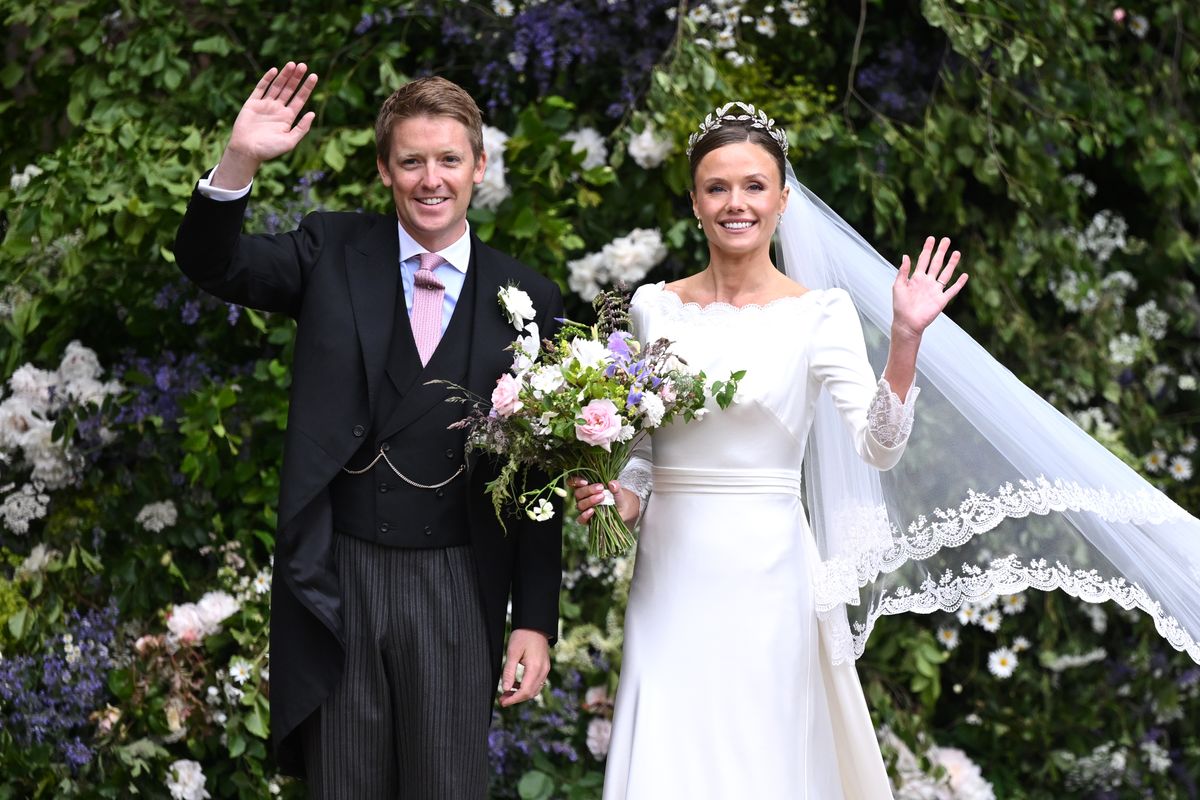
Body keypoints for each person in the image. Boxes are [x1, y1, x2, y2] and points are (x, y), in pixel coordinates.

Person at [574, 102, 1200, 798]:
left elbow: (877, 448)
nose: (736, 203)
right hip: (671, 573)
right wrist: (617, 497)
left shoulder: (820, 313)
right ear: (694, 202)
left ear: (782, 198)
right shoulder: (653, 308)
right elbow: (642, 454)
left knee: (760, 752)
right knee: (670, 743)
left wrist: (905, 341)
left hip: (768, 573)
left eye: (754, 185)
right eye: (717, 187)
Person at [174, 62, 564, 798]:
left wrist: (535, 620)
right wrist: (241, 159)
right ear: (385, 168)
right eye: (411, 161)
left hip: (457, 581)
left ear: (479, 167)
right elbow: (211, 262)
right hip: (341, 578)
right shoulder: (330, 253)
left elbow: (538, 480)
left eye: (449, 159)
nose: (431, 179)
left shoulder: (530, 299)